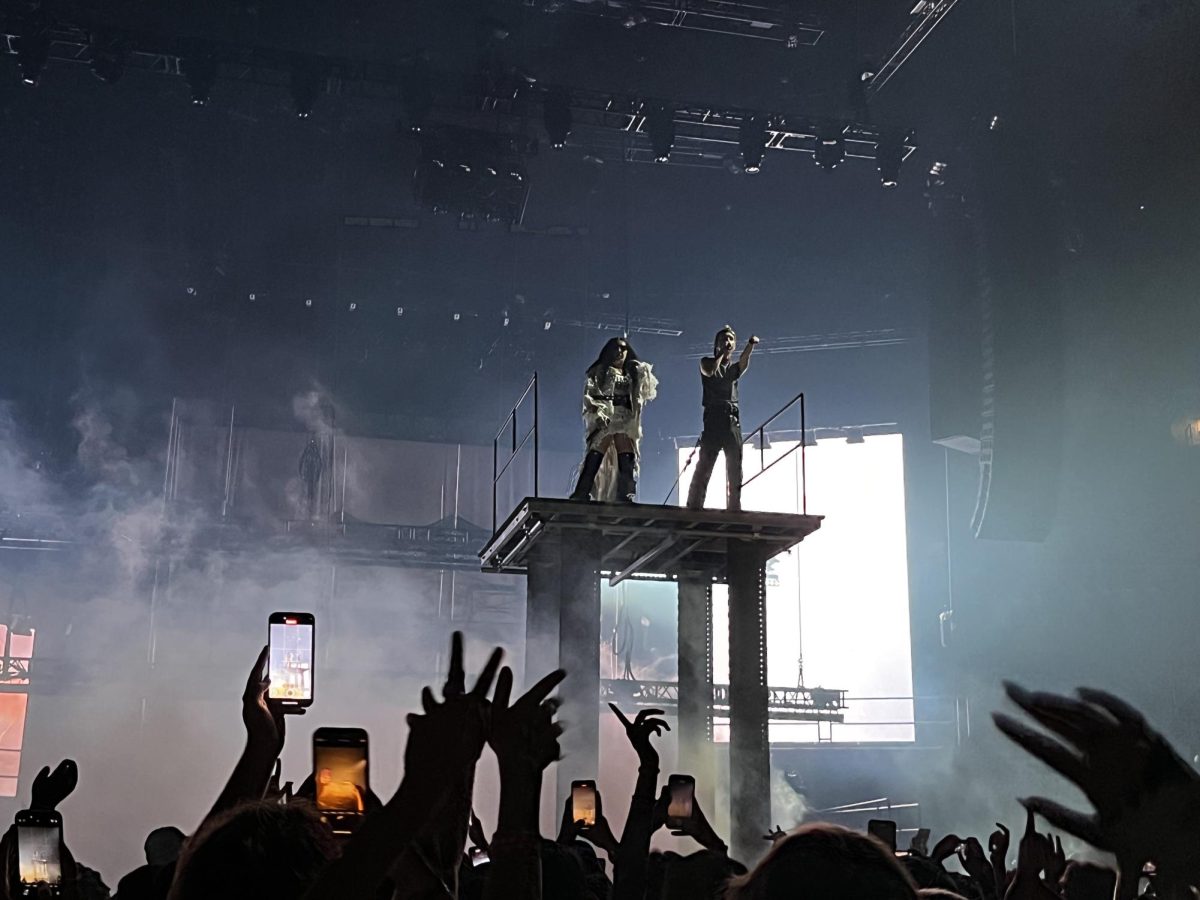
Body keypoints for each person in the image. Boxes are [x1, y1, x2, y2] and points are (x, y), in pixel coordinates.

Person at [570, 336, 658, 503]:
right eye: (616, 348)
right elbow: (590, 396)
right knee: (598, 449)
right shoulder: (599, 373)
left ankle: (624, 494)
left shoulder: (632, 375)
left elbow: (643, 393)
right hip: (606, 416)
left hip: (624, 418)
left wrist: (639, 371)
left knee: (627, 452)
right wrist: (598, 414)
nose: (619, 352)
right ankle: (582, 491)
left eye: (623, 349)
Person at [685, 326, 759, 512]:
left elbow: (743, 362)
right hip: (714, 419)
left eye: (731, 340)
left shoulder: (732, 370)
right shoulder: (706, 362)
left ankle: (734, 505)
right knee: (706, 462)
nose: (728, 342)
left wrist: (750, 345)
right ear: (717, 344)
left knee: (735, 464)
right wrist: (720, 354)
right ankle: (695, 504)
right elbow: (709, 370)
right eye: (724, 339)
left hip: (732, 419)